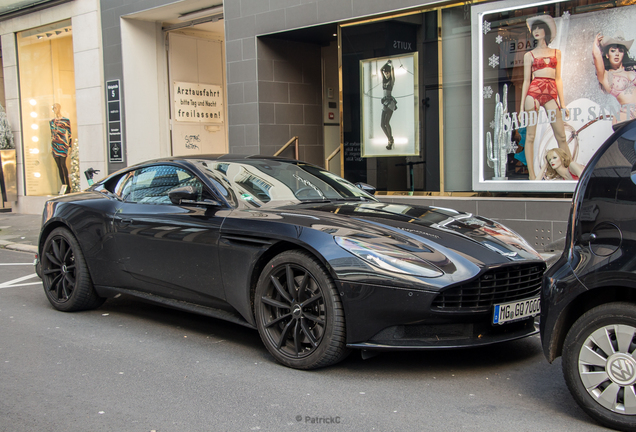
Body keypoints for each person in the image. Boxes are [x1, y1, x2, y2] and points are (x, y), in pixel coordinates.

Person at [519, 15, 571, 180]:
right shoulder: (529, 55)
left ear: (545, 31)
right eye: (534, 29)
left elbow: (558, 78)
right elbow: (526, 80)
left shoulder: (557, 53)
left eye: (539, 28)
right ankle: (532, 176)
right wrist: (520, 109)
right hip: (533, 93)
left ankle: (569, 171)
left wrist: (563, 104)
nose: (536, 31)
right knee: (531, 136)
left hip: (550, 93)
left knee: (561, 135)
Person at [592, 31, 636, 124]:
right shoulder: (606, 76)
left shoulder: (632, 69)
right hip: (627, 114)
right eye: (613, 50)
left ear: (624, 54)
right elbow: (596, 57)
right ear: (607, 55)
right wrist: (595, 45)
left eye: (621, 51)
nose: (617, 53)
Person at [50, 103, 71, 192]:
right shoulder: (52, 121)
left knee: (63, 165)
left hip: (62, 145)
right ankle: (63, 185)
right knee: (59, 166)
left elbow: (69, 134)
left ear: (59, 108)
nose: (55, 109)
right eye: (53, 108)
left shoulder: (65, 120)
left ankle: (68, 186)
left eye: (56, 108)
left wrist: (69, 146)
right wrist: (51, 147)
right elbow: (51, 134)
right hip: (55, 145)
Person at [380, 60, 397, 150]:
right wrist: (386, 63)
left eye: (388, 72)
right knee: (382, 124)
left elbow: (393, 72)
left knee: (386, 122)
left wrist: (391, 64)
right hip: (385, 103)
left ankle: (390, 141)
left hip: (390, 103)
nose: (387, 74)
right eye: (386, 73)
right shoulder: (384, 80)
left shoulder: (391, 81)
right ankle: (390, 139)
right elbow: (380, 69)